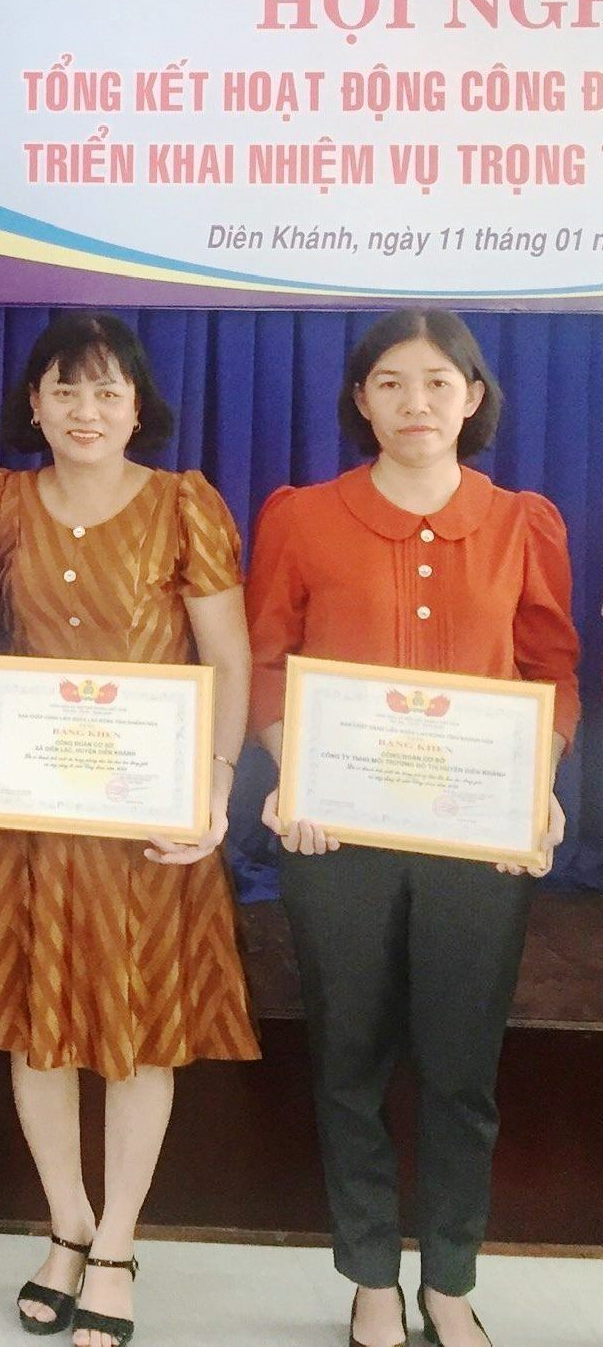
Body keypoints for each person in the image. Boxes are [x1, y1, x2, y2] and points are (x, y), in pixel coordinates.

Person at [0, 313, 259, 1347]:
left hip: (147, 825)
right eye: (64, 389)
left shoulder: (184, 504)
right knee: (38, 1024)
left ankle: (116, 1242)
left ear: (137, 405)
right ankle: (65, 1223)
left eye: (107, 391)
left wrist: (216, 785)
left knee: (139, 1032)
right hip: (32, 813)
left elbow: (228, 659)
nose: (85, 410)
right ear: (33, 403)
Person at [247, 309, 579, 1347]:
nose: (415, 402)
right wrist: (291, 769)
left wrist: (538, 781)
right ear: (361, 398)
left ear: (472, 397)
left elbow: (551, 670)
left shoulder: (523, 521)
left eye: (438, 381)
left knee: (459, 1068)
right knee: (347, 1060)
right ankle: (370, 1279)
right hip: (335, 836)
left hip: (477, 841)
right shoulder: (303, 516)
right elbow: (267, 659)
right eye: (390, 382)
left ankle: (449, 1279)